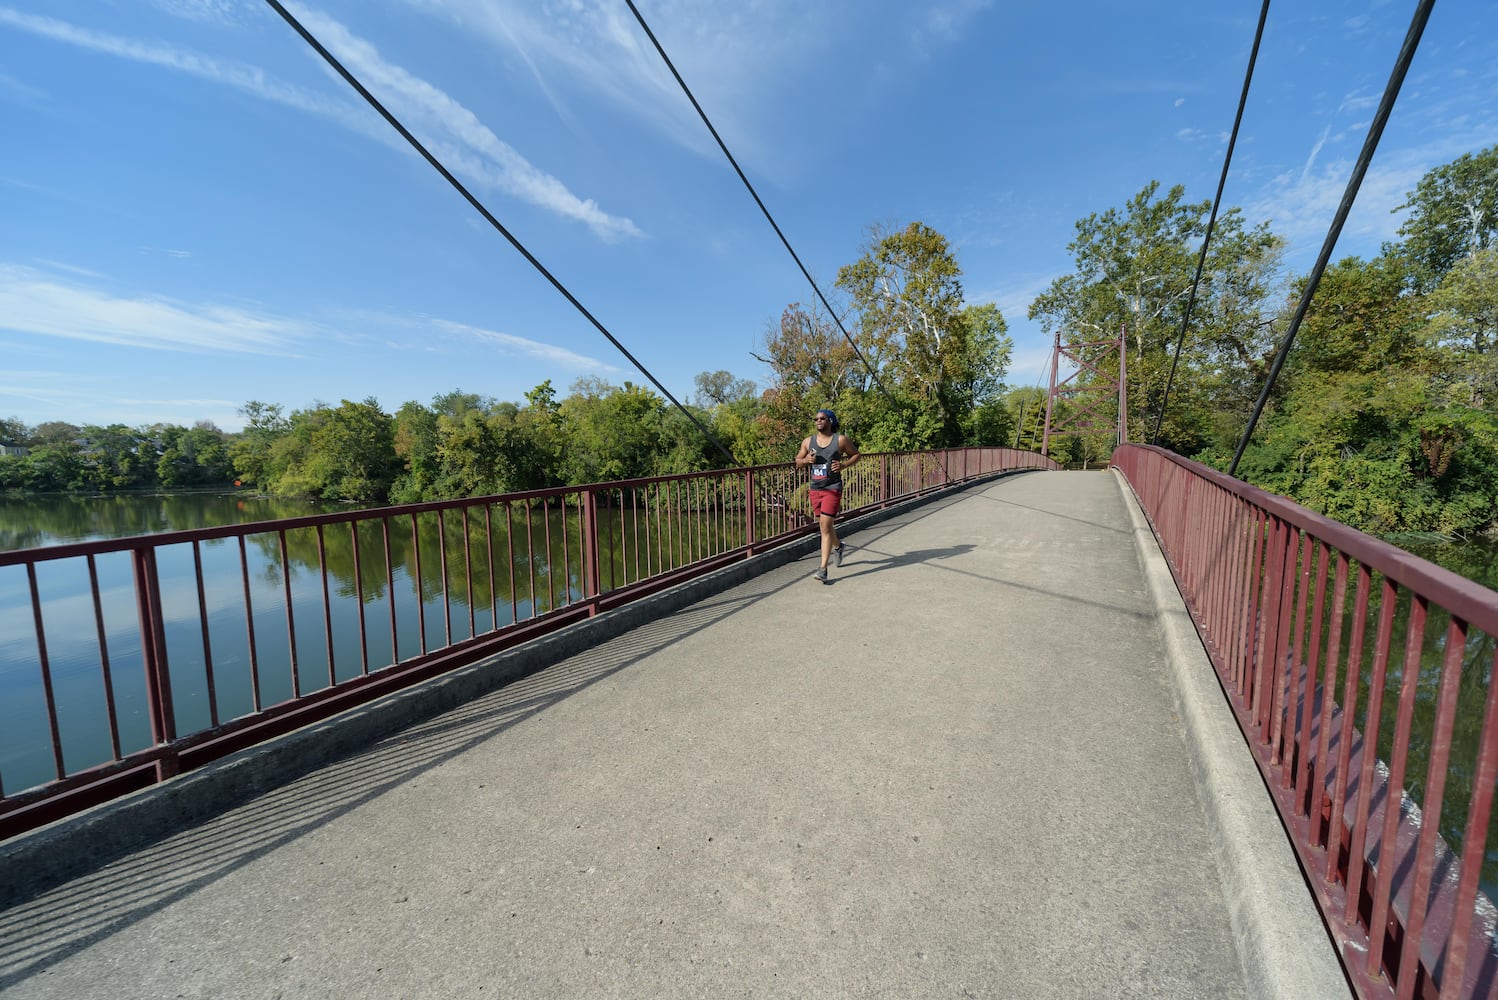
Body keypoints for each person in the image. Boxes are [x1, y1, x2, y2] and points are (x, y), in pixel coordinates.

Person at [795, 408, 860, 583]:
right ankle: (838, 546)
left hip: (832, 487)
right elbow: (797, 461)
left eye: (822, 418)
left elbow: (856, 455)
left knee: (824, 527)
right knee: (825, 525)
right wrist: (806, 460)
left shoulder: (840, 440)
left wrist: (844, 465)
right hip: (815, 489)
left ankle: (823, 569)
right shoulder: (808, 442)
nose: (818, 421)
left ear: (830, 420)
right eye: (816, 419)